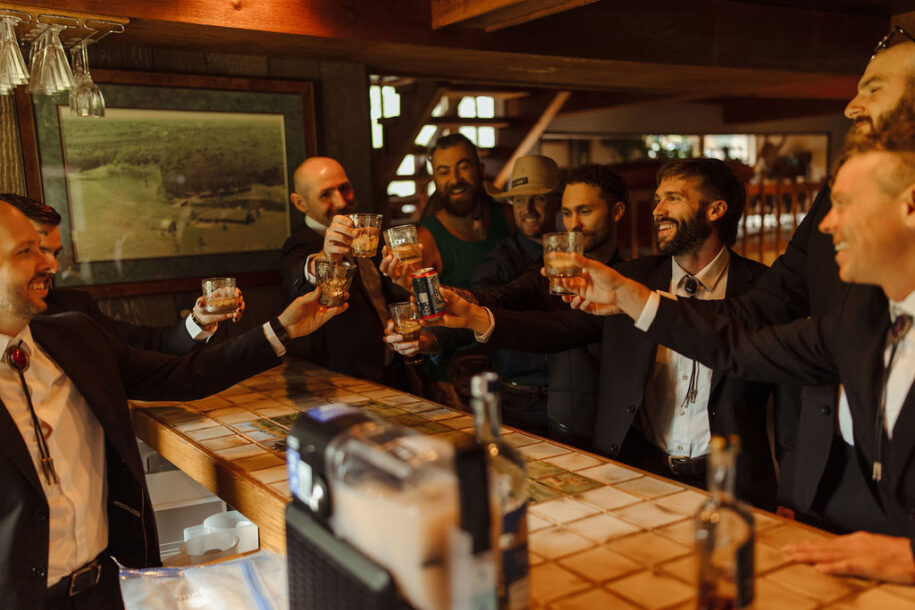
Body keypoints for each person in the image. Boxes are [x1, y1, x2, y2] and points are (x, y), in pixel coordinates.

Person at [559, 122, 915, 583]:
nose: (827, 224)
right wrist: (630, 297)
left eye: (844, 204)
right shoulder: (862, 321)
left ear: (910, 206)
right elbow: (740, 345)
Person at [0, 200, 344, 607]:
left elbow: (184, 375)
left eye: (46, 250)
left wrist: (282, 329)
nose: (50, 265)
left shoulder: (75, 338)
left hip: (106, 590)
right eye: (27, 251)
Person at [427, 159, 777, 508]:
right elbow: (561, 328)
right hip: (641, 472)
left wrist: (792, 492)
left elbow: (789, 394)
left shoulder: (763, 289)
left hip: (732, 483)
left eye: (673, 198)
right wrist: (476, 318)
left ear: (715, 210)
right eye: (657, 199)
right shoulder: (633, 278)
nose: (657, 210)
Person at [385, 163, 627, 447]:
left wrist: (472, 314)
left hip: (607, 418)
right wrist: (429, 301)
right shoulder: (527, 266)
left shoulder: (631, 277)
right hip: (526, 403)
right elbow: (496, 297)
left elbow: (559, 326)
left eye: (584, 211)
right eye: (568, 212)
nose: (573, 224)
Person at [0, 193, 244, 355]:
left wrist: (201, 319)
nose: (53, 266)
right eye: (32, 250)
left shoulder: (73, 309)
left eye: (54, 253)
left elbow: (148, 347)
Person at [281, 157, 404, 384]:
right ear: (300, 203)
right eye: (325, 194)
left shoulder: (368, 233)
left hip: (394, 371)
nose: (340, 201)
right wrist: (326, 258)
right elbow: (296, 279)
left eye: (344, 188)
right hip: (342, 381)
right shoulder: (300, 244)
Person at [418, 133, 513, 289]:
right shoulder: (426, 241)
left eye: (463, 167)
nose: (455, 179)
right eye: (444, 172)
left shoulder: (509, 217)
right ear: (435, 179)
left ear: (480, 170)